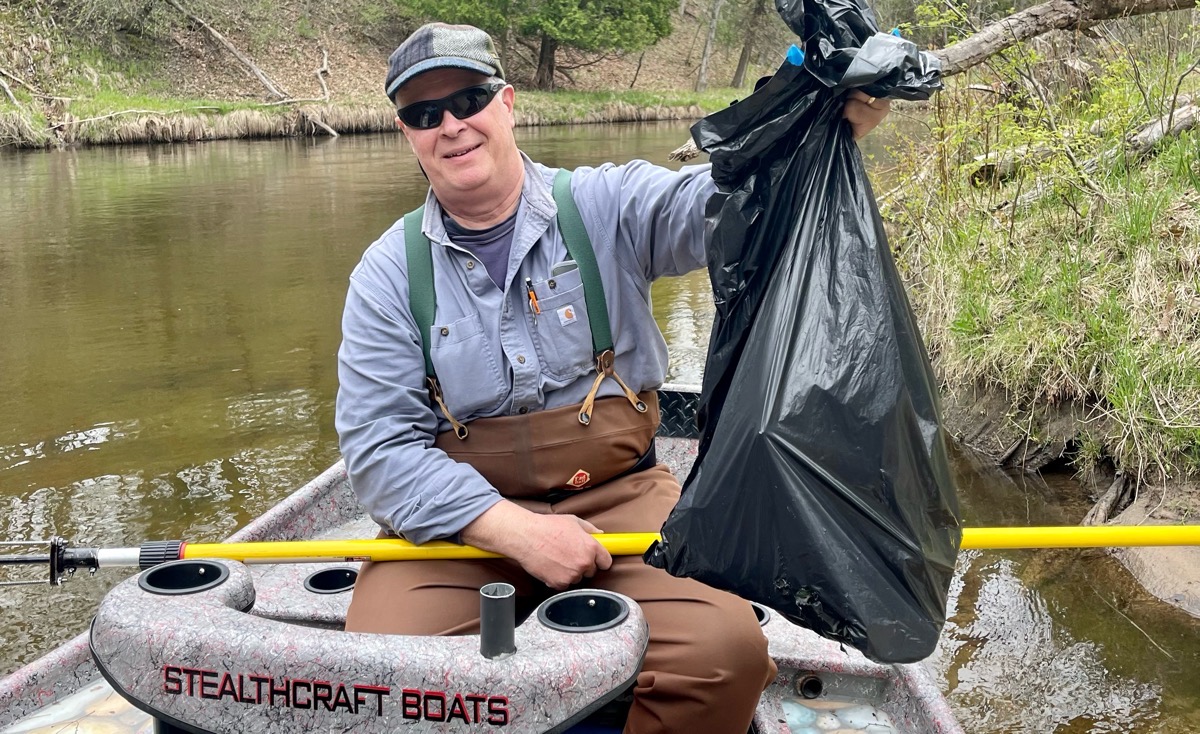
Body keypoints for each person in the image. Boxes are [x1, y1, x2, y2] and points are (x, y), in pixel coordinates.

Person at [335, 22, 890, 734]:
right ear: (406, 133)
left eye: (468, 98)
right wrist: (515, 531)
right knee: (386, 677)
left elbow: (728, 206)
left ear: (507, 103)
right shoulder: (384, 276)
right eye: (423, 113)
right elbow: (381, 457)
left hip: (621, 502)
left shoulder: (608, 204)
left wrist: (818, 131)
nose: (451, 125)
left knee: (727, 655)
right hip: (455, 530)